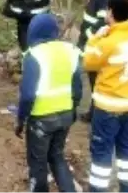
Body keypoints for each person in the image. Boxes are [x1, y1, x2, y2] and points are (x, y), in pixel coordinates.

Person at [82, 0, 128, 193]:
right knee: (127, 151)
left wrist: (96, 38)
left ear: (111, 13)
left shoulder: (109, 42)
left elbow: (88, 62)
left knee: (102, 154)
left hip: (109, 106)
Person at [15, 12, 81, 193]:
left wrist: (21, 120)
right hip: (65, 115)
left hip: (41, 120)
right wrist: (72, 111)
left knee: (37, 164)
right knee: (57, 156)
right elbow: (77, 89)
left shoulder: (33, 55)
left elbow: (28, 95)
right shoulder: (71, 51)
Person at [77, 0, 125, 122]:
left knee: (98, 81)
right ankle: (95, 111)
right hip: (96, 46)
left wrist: (88, 42)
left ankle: (99, 114)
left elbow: (102, 26)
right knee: (95, 81)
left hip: (99, 48)